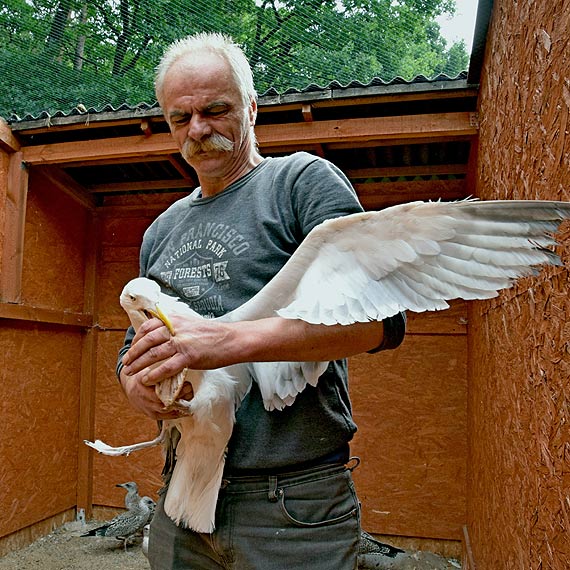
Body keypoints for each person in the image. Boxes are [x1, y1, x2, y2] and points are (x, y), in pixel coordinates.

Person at [117, 32, 406, 570]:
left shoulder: (299, 184)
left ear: (251, 108)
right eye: (180, 118)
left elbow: (381, 322)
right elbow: (137, 346)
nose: (198, 130)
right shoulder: (161, 230)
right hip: (183, 485)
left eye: (215, 110)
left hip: (291, 500)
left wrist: (221, 343)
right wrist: (137, 386)